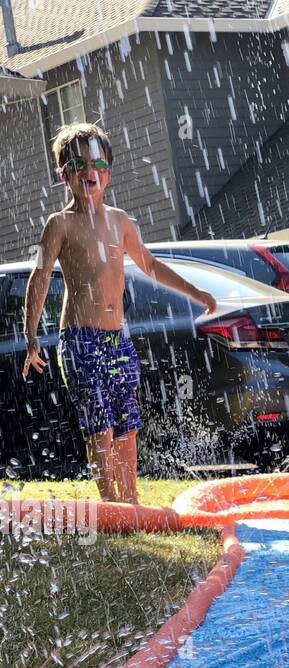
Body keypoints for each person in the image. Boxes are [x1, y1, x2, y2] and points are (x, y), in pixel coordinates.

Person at [21, 121, 217, 505]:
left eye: (97, 164)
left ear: (108, 171)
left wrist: (195, 292)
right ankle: (111, 502)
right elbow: (39, 277)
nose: (88, 172)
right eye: (78, 165)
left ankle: (131, 501)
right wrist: (30, 337)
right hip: (80, 340)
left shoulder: (120, 222)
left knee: (127, 425)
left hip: (118, 339)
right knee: (101, 426)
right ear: (63, 174)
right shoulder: (59, 224)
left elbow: (151, 265)